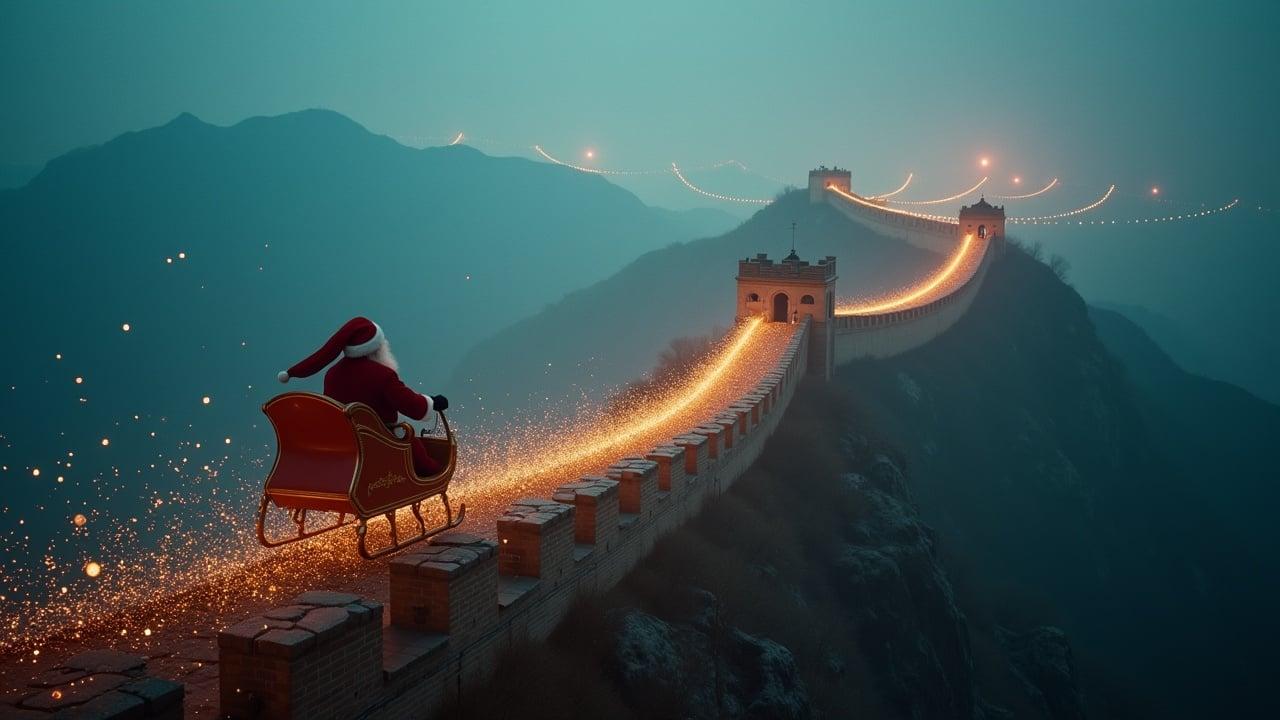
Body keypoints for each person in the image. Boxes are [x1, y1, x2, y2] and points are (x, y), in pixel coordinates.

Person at [277, 316, 450, 477]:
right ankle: (433, 474)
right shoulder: (382, 375)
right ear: (376, 348)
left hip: (344, 447)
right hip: (379, 445)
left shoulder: (332, 374)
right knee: (410, 441)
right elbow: (410, 405)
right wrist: (432, 402)